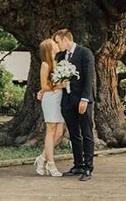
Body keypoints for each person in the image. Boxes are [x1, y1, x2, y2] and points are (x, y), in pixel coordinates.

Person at [53, 28, 95, 182]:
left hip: (82, 100)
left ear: (66, 39)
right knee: (73, 134)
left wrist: (85, 99)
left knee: (86, 134)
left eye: (58, 42)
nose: (57, 46)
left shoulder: (85, 53)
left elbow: (89, 78)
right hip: (67, 101)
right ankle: (78, 164)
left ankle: (88, 168)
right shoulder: (61, 56)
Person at [34, 38, 67, 177]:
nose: (56, 44)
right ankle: (51, 164)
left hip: (59, 98)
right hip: (50, 99)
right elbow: (44, 86)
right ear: (49, 48)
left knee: (59, 132)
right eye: (54, 43)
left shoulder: (58, 62)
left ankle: (42, 158)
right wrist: (61, 85)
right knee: (51, 130)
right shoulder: (45, 65)